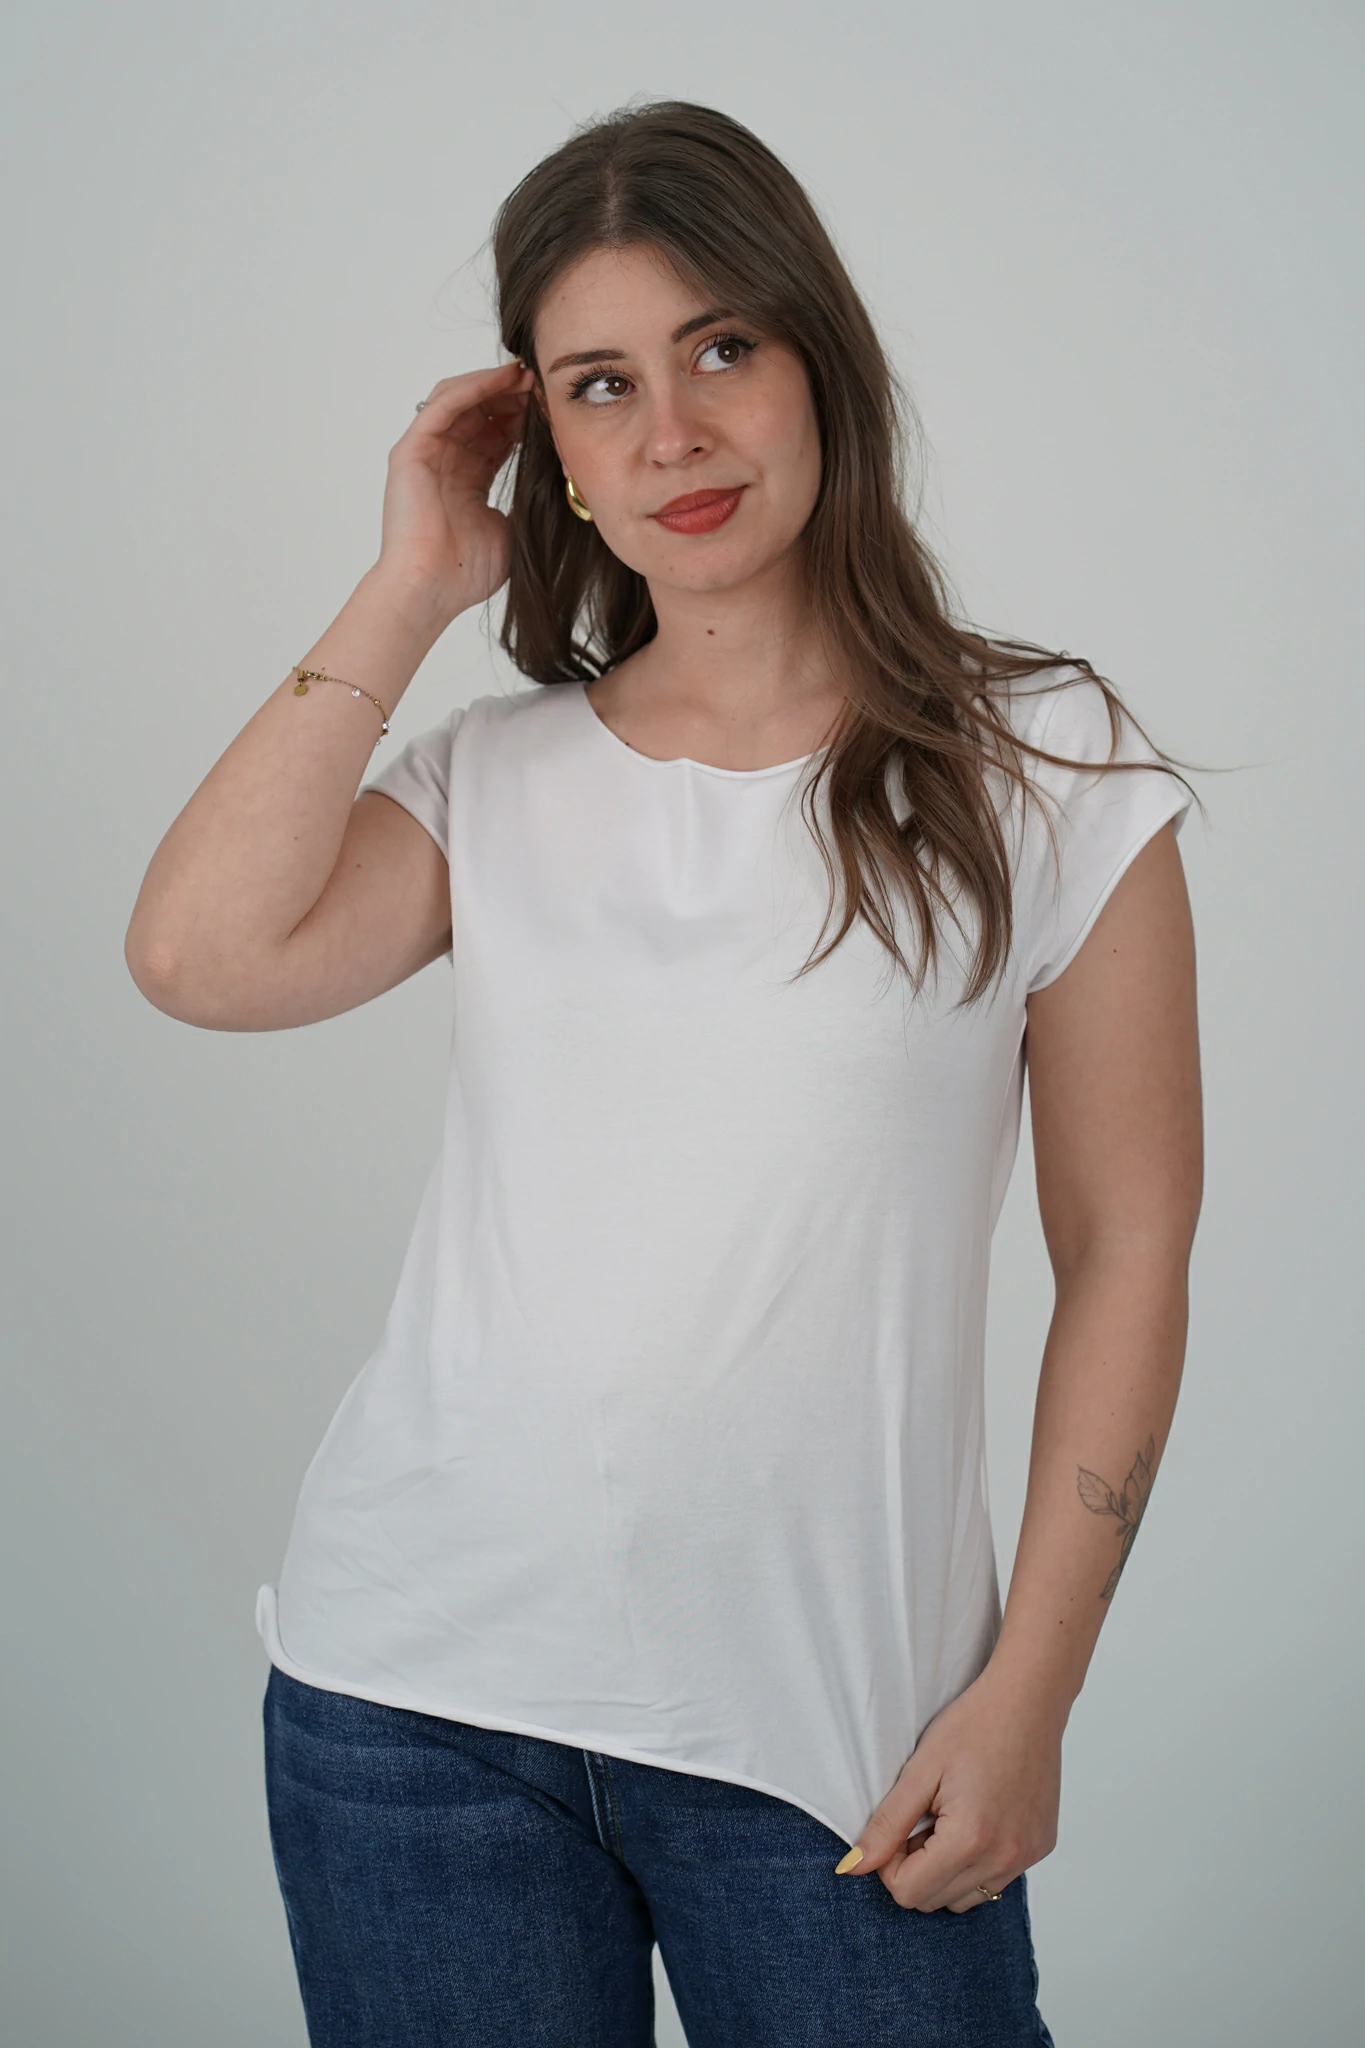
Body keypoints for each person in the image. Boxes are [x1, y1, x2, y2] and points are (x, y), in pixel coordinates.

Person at [125, 99, 1202, 2048]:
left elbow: (1128, 1244)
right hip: (417, 1705)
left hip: (837, 1738)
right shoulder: (496, 776)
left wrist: (1031, 1693)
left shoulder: (1048, 767)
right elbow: (200, 958)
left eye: (721, 349)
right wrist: (411, 583)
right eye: (600, 385)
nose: (672, 434)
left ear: (819, 357)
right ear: (544, 439)